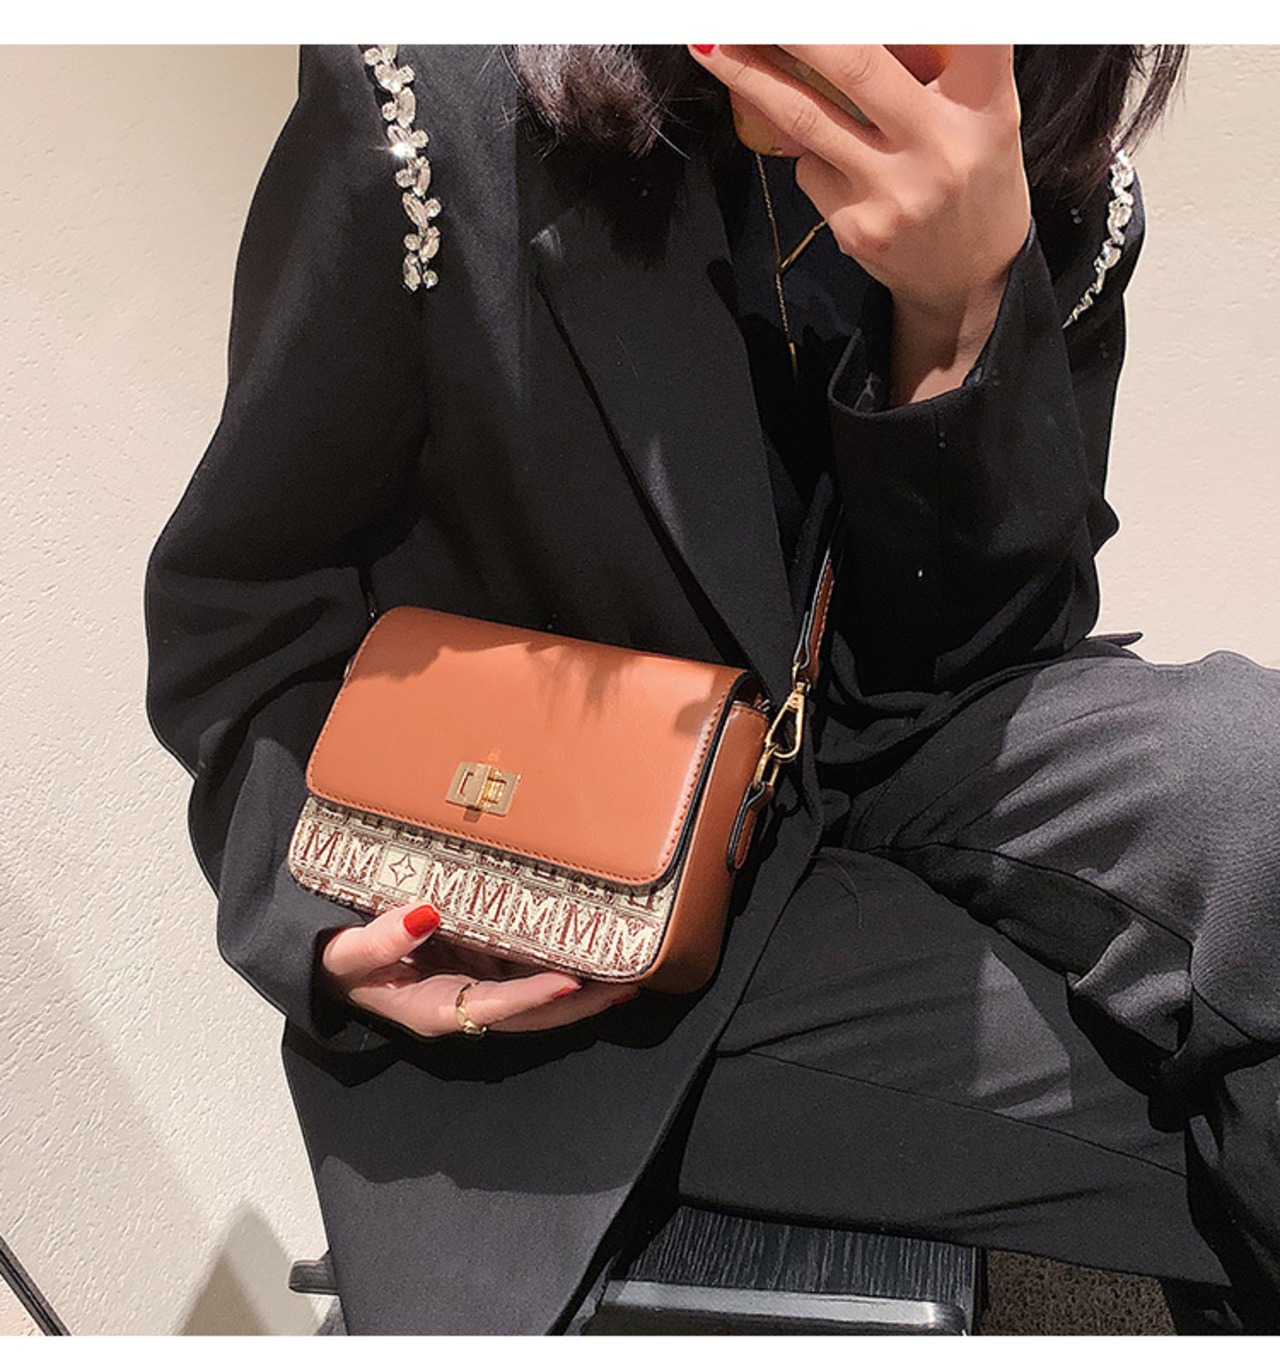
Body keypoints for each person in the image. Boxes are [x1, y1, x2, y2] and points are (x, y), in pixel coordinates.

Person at [143, 44, 1280, 1333]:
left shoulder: (1044, 171)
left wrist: (960, 315)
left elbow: (987, 648)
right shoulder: (430, 110)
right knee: (1177, 1099)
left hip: (912, 749)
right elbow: (243, 613)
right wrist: (319, 916)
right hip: (595, 899)